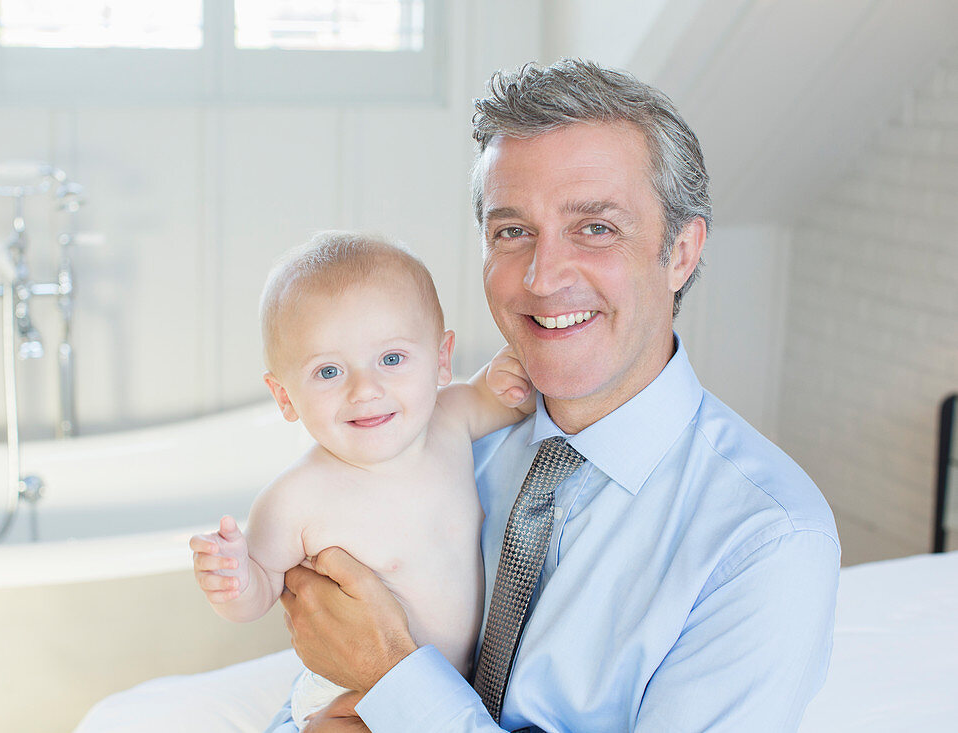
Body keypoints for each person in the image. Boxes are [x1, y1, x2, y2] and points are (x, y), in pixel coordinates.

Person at [274, 59, 841, 732]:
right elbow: (321, 680)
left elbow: (377, 660)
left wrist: (396, 675)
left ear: (681, 252)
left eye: (595, 227)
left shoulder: (767, 542)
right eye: (513, 231)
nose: (542, 278)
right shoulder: (431, 435)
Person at [189, 231, 534, 730]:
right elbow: (262, 591)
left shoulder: (451, 419)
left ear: (441, 360)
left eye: (391, 360)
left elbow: (505, 396)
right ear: (284, 396)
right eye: (329, 372)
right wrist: (234, 581)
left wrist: (508, 376)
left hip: (455, 688)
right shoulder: (295, 498)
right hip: (351, 694)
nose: (365, 390)